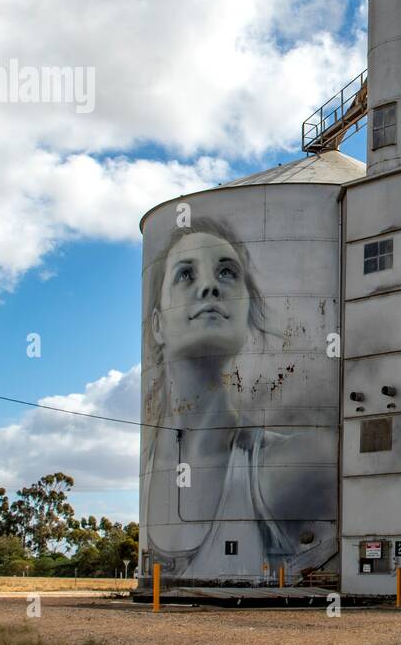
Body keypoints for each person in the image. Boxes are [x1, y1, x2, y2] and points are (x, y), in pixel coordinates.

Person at [140, 218, 327, 580]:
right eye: (185, 275)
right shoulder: (148, 465)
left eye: (226, 272)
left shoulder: (287, 462)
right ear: (157, 325)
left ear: (247, 312)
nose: (209, 286)